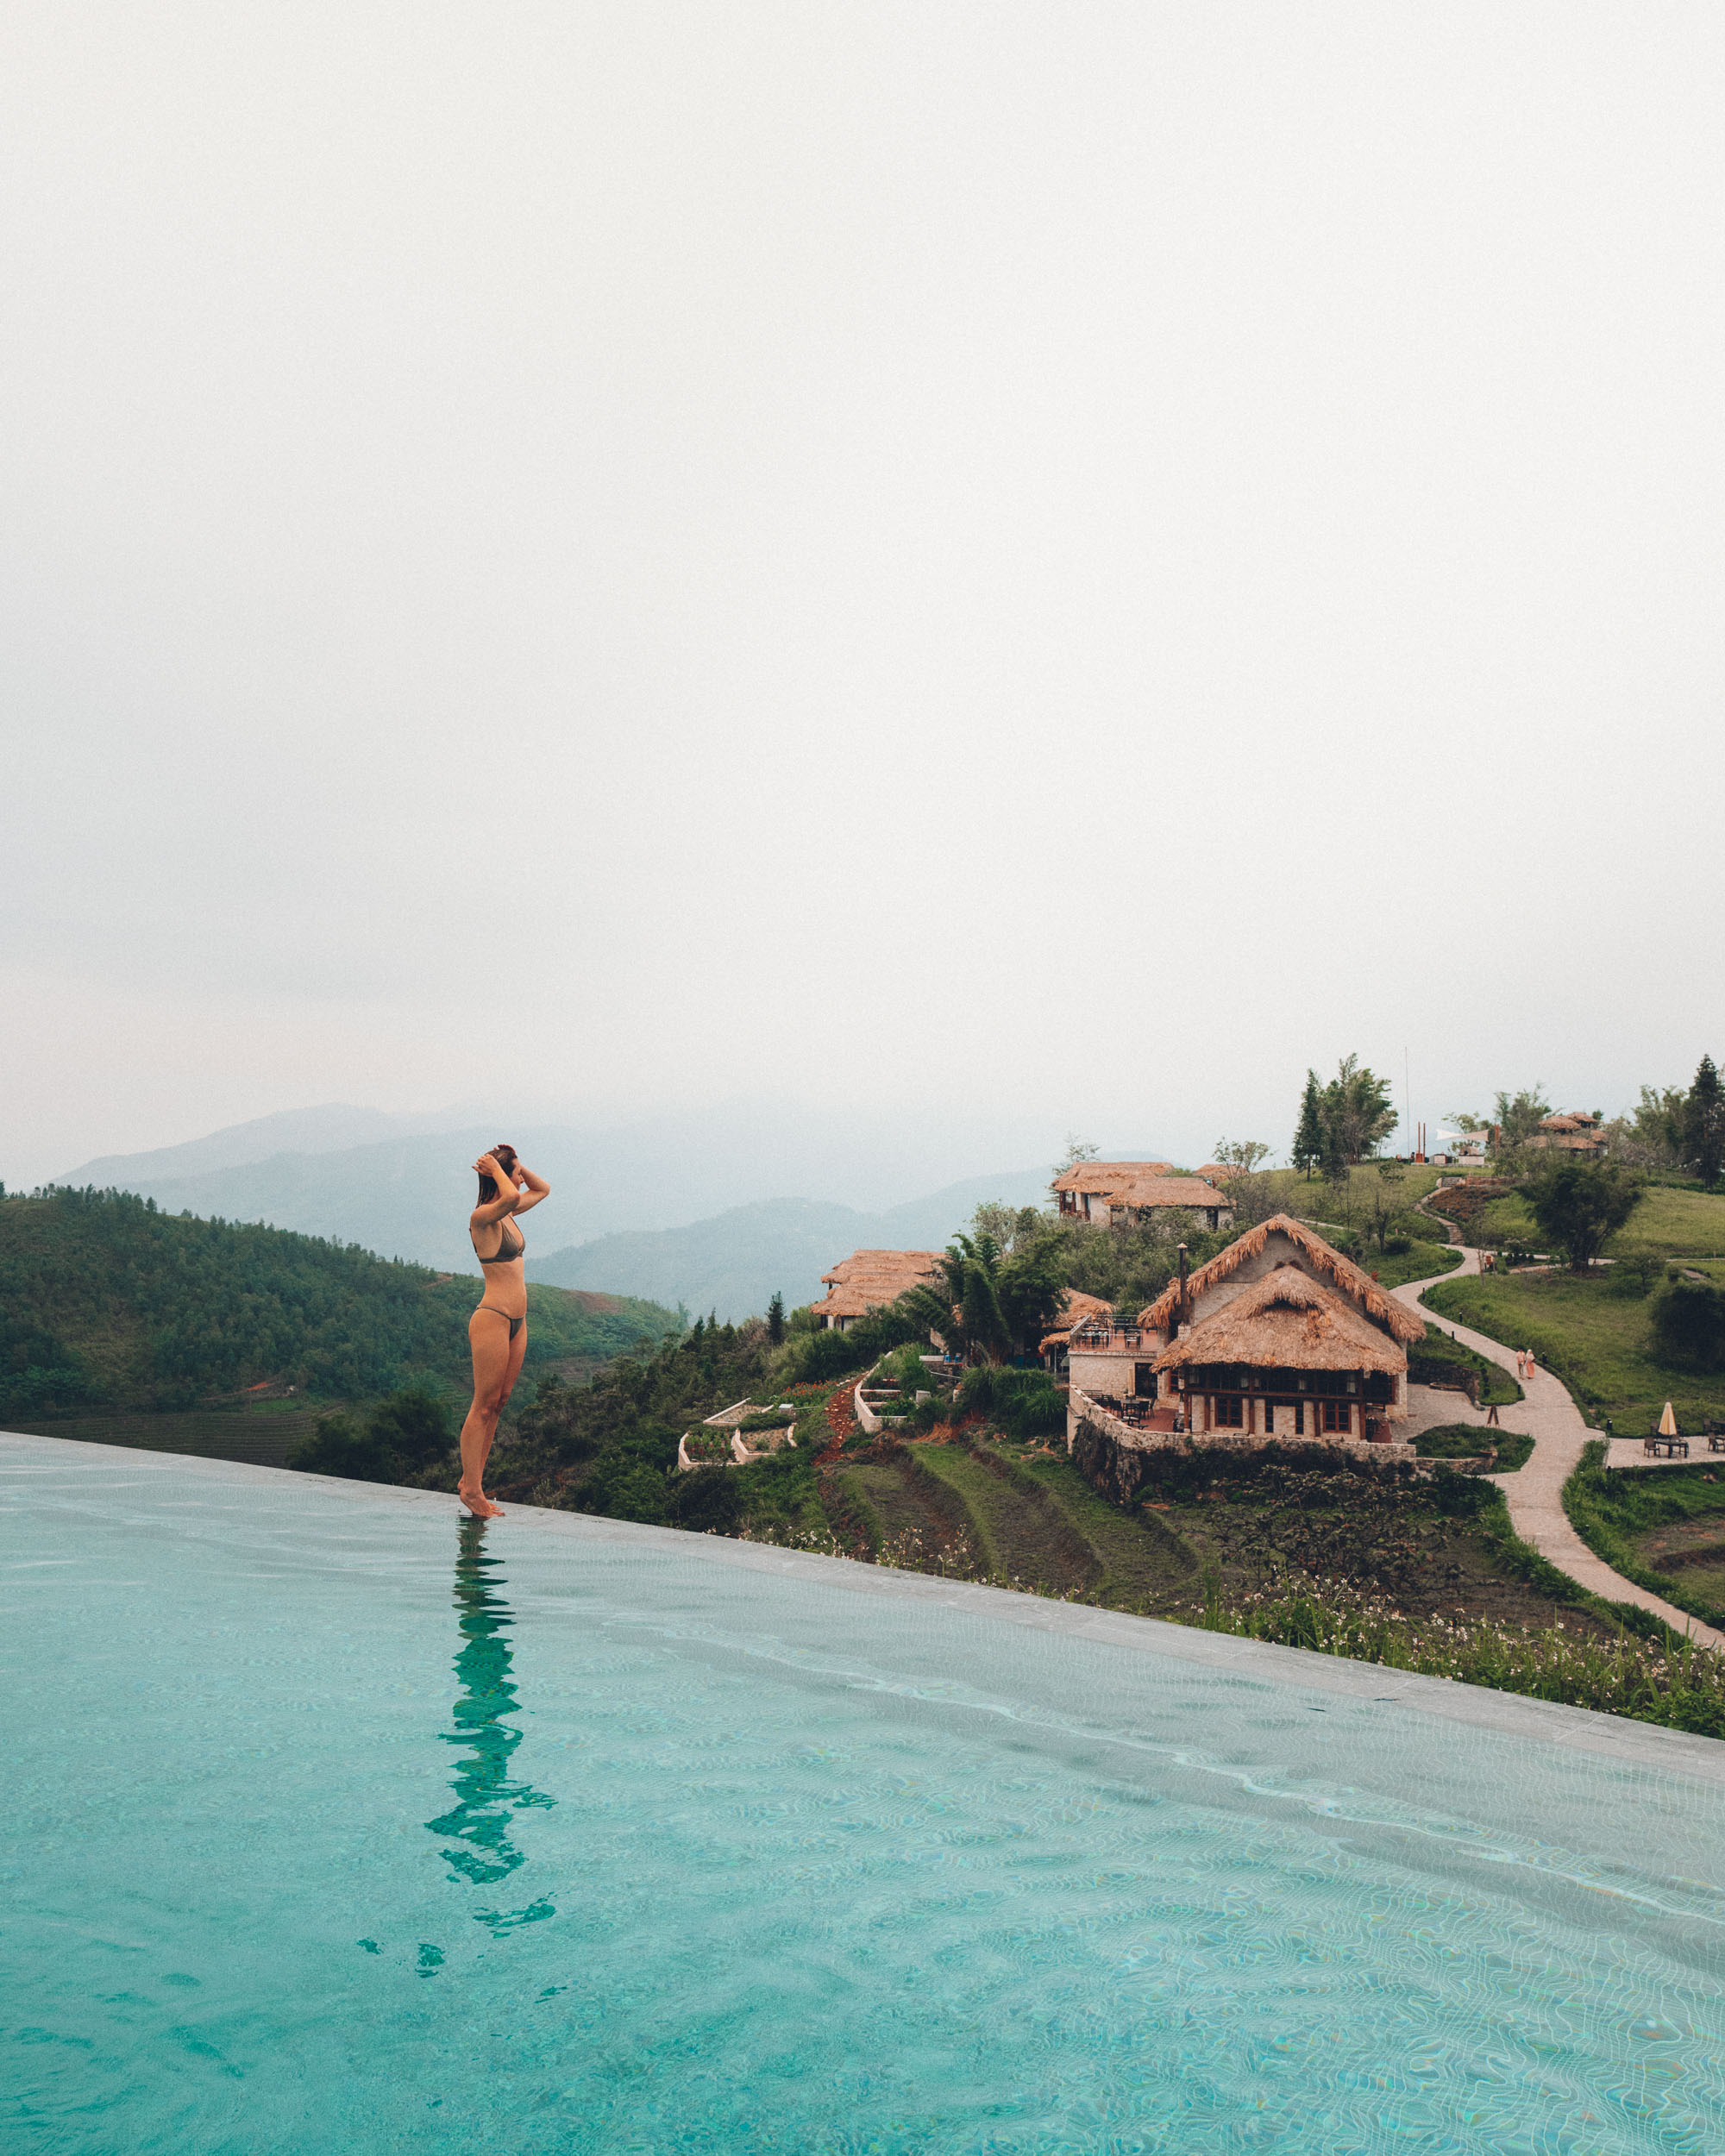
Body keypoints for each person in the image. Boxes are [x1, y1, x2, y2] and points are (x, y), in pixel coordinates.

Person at [458, 1144, 551, 1518]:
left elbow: (541, 1189)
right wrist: (497, 1169)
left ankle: (473, 1480)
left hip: (518, 1320)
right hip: (493, 1317)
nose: (519, 1177)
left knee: (500, 1402)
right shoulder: (482, 1217)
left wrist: (514, 1162)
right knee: (482, 1406)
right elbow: (511, 1193)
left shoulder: (509, 1213)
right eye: (515, 1171)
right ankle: (472, 1491)